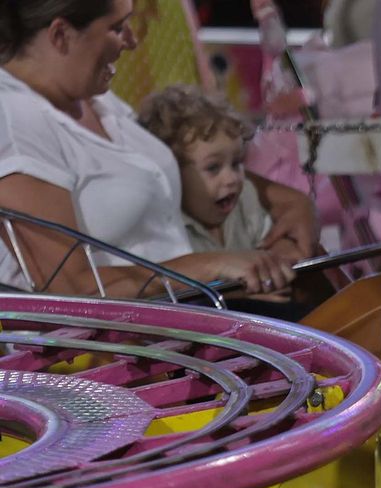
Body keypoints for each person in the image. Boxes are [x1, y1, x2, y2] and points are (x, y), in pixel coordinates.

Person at [0, 0, 313, 297]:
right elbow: (69, 290)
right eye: (117, 27)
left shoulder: (92, 98)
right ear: (60, 34)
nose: (132, 41)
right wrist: (212, 266)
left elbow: (165, 170)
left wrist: (280, 199)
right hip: (115, 348)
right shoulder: (14, 121)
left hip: (188, 322)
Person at [138, 85, 271, 254]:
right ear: (174, 175)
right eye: (213, 167)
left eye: (236, 163)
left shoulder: (246, 200)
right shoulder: (168, 230)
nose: (231, 179)